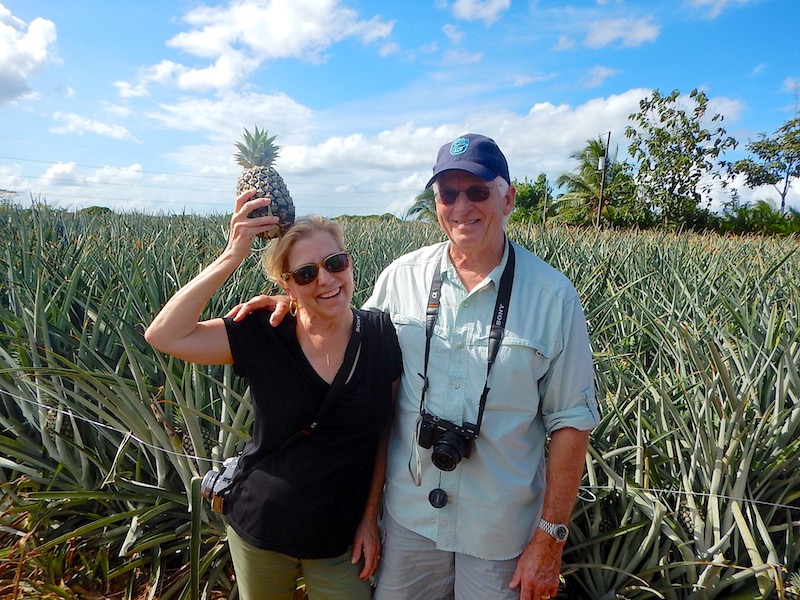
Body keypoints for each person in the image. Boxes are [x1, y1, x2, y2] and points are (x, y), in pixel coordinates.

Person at [228, 134, 601, 600]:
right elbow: (348, 338)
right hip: (409, 520)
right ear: (437, 202)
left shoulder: (553, 297)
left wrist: (550, 539)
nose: (461, 205)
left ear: (508, 198)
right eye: (448, 193)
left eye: (477, 191)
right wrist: (297, 301)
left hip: (499, 530)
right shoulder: (401, 277)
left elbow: (572, 422)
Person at [145, 192, 401, 600]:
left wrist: (371, 518)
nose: (327, 279)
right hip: (260, 527)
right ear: (285, 283)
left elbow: (386, 432)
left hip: (340, 538)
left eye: (336, 263)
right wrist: (232, 255)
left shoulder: (381, 336)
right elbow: (164, 335)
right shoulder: (264, 329)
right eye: (305, 274)